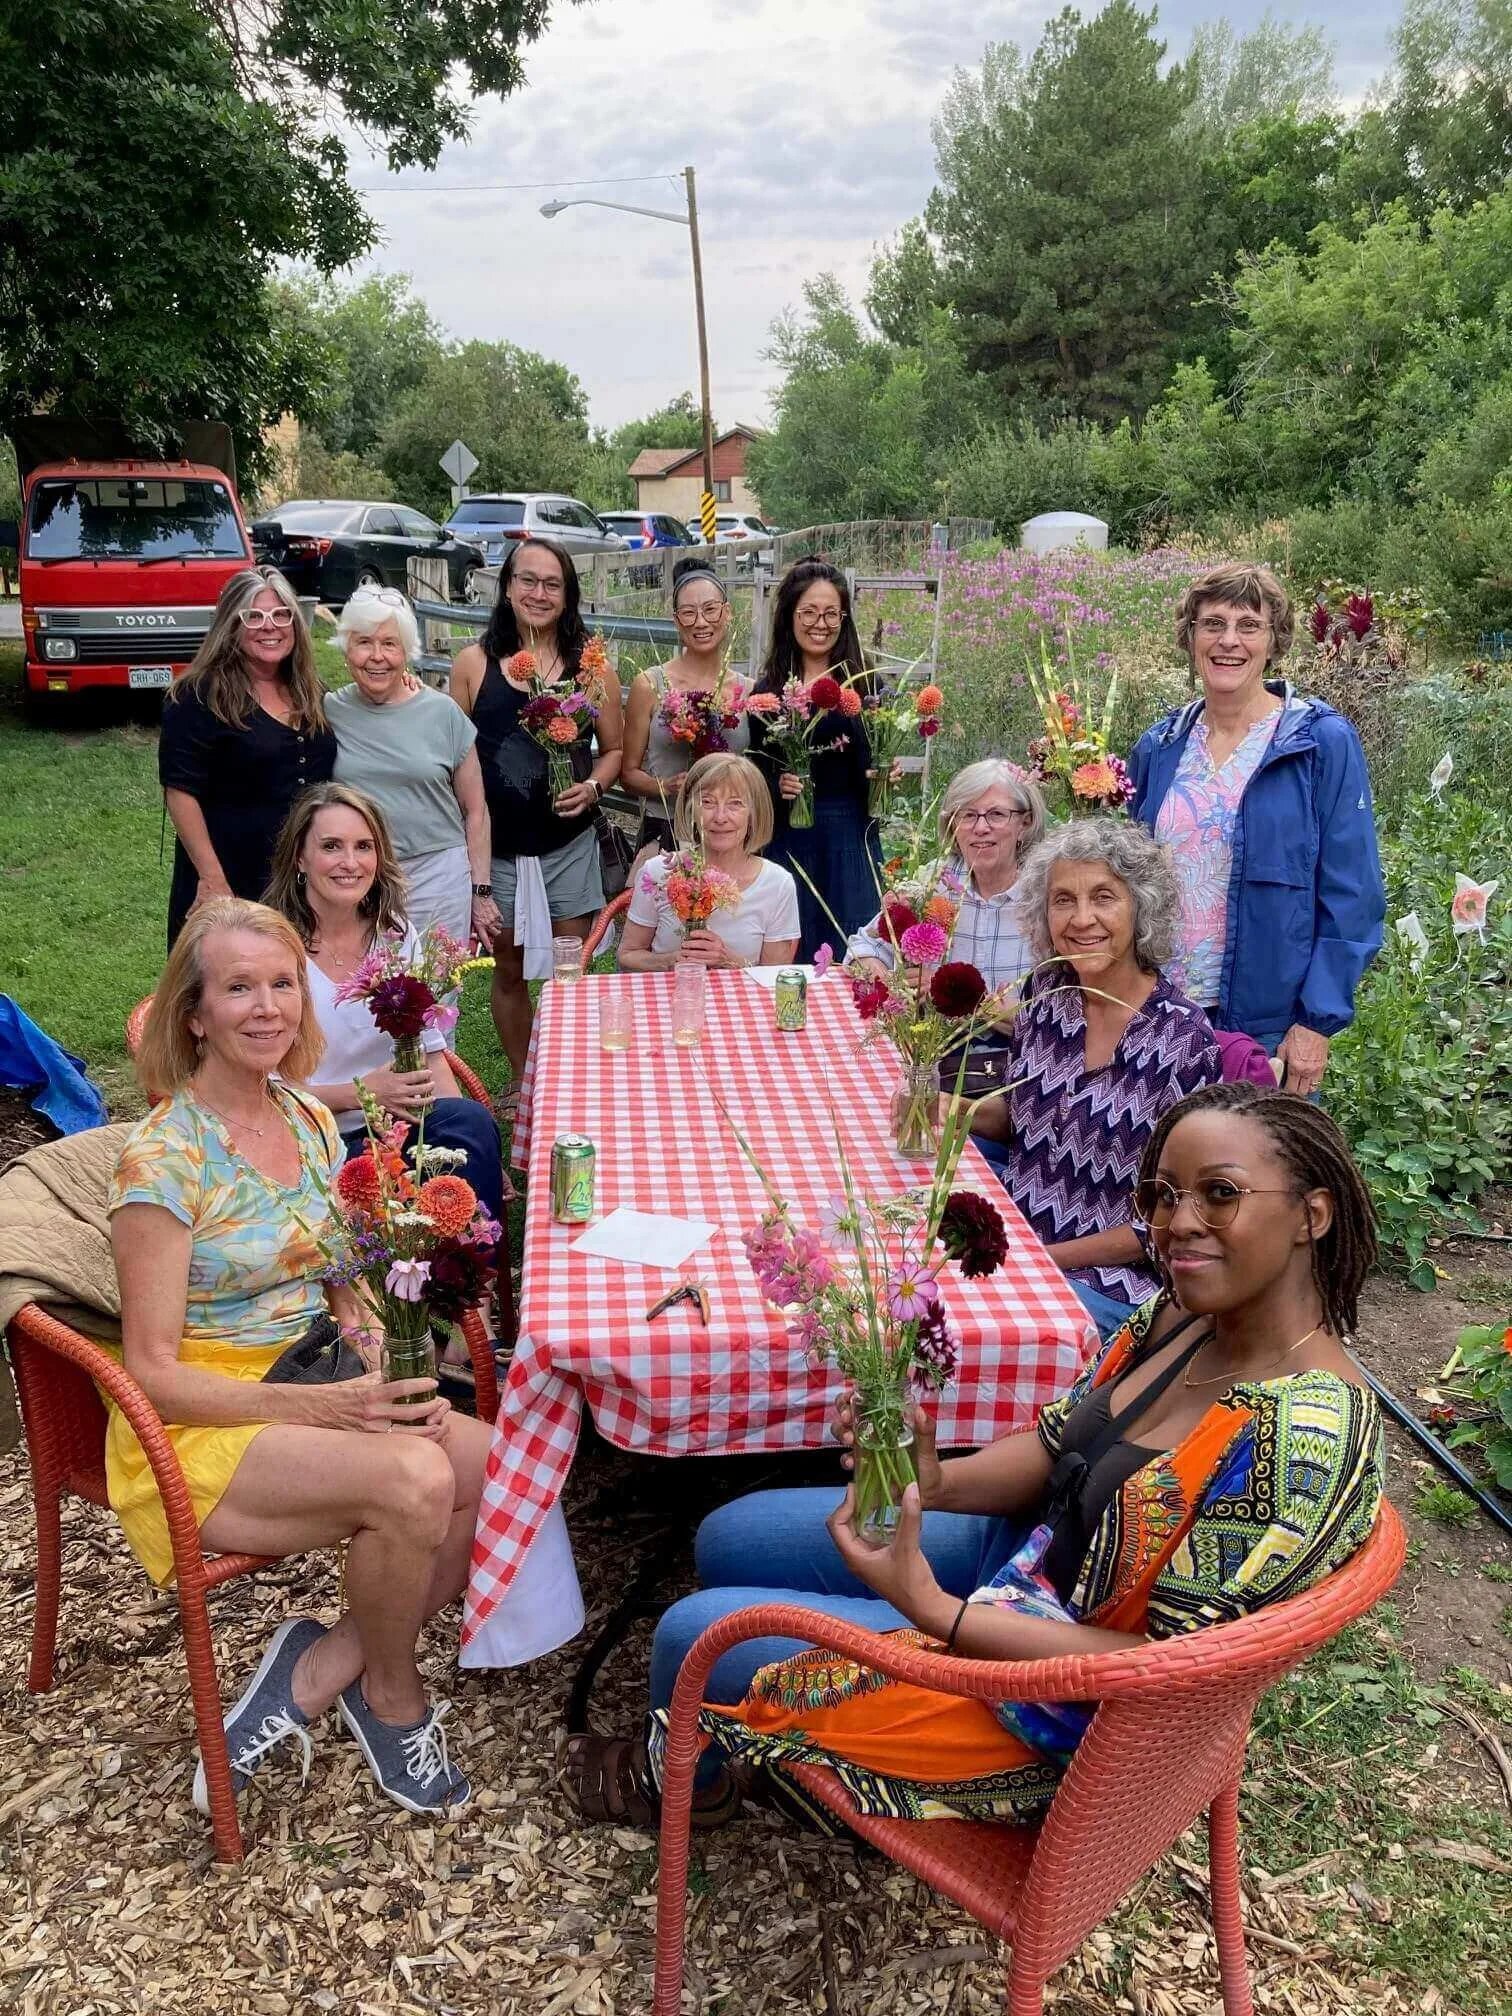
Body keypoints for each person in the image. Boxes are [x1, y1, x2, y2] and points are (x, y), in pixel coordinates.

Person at [563, 1083, 1385, 1827]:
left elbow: (1169, 1673)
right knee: (727, 1534)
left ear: (1313, 1214)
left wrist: (934, 1611)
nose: (1178, 1224)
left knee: (696, 1634)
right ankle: (726, 1737)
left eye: (1221, 1194)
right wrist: (939, 1479)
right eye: (1162, 1196)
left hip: (1046, 1719)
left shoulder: (1303, 1437)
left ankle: (692, 1783)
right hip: (1024, 1568)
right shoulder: (1183, 1320)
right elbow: (1062, 1444)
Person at [110, 899, 488, 1814]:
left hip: (312, 1373)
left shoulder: (312, 1121)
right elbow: (152, 1372)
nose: (268, 1006)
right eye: (239, 987)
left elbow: (339, 1286)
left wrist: (382, 1373)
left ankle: (316, 1670)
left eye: (283, 984)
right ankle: (391, 1699)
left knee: (501, 1468)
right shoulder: (161, 1163)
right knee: (415, 1484)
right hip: (202, 1416)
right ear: (193, 1012)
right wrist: (333, 1410)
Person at [1127, 561, 1385, 1098]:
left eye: (1249, 625)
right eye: (1213, 624)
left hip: (1263, 1026)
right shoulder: (1161, 746)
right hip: (1157, 1010)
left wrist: (1316, 1021)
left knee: (1254, 1176)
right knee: (1154, 1171)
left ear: (1273, 641)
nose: (1229, 641)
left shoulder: (1318, 743)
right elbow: (1128, 879)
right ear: (1190, 636)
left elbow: (1352, 895)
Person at [969, 820, 1223, 1340]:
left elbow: (1176, 1214)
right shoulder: (1046, 995)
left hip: (1112, 1280)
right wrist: (947, 1109)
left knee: (982, 1333)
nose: (1082, 919)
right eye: (1063, 900)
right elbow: (1027, 1120)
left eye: (1103, 897)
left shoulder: (1183, 1038)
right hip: (1016, 1234)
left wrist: (1041, 1260)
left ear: (1140, 907)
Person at [264, 782, 507, 1240]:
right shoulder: (273, 947)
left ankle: (473, 1297)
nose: (349, 862)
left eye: (363, 847)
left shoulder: (394, 937)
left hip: (399, 1128)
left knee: (470, 1126)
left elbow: (431, 1052)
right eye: (331, 846)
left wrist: (480, 1150)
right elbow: (258, 1087)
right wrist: (364, 1093)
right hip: (312, 1138)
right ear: (299, 857)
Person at [449, 537, 624, 1083]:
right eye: (527, 580)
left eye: (553, 584)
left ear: (568, 596)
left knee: (571, 968)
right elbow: (451, 753)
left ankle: (569, 1074)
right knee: (511, 968)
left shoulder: (591, 669)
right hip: (498, 854)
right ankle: (529, 1082)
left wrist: (594, 786)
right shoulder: (474, 664)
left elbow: (615, 749)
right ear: (506, 587)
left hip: (566, 846)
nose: (539, 593)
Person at [845, 758, 1046, 1098]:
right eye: (967, 815)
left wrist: (967, 1002)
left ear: (1025, 823)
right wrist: (891, 984)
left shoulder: (1047, 897)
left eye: (996, 815)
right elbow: (862, 947)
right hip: (938, 1064)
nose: (980, 827)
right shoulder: (935, 883)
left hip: (1020, 1074)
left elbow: (1062, 1017)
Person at [159, 567, 337, 950]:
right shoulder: (197, 696)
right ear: (230, 625)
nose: (268, 626)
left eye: (280, 614)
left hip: (302, 878)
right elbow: (180, 791)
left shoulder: (311, 691)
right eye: (253, 616)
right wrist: (212, 879)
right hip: (230, 874)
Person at [327, 587, 501, 949]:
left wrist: (480, 891)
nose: (377, 657)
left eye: (390, 644)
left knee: (437, 989)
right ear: (346, 649)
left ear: (407, 652)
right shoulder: (328, 712)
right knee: (367, 990)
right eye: (364, 643)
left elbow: (476, 810)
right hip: (359, 873)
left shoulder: (443, 712)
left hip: (438, 873)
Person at [747, 558, 879, 961]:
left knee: (855, 949)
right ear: (789, 616)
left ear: (844, 618)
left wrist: (880, 775)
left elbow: (872, 760)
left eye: (831, 613)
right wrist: (778, 784)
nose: (820, 624)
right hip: (790, 837)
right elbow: (755, 769)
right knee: (792, 949)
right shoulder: (769, 690)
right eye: (808, 612)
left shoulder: (865, 682)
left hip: (849, 837)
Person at [619, 754, 800, 972]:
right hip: (671, 1000)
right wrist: (670, 961)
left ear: (754, 813)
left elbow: (776, 975)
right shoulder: (659, 872)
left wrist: (727, 960)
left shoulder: (777, 883)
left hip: (741, 1004)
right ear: (690, 809)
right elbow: (628, 955)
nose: (720, 817)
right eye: (707, 802)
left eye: (735, 804)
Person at [620, 562, 751, 855]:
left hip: (731, 836)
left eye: (710, 609)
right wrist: (665, 786)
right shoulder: (650, 684)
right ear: (677, 621)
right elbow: (627, 774)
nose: (701, 622)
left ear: (727, 613)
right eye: (689, 613)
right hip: (665, 831)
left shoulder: (748, 689)